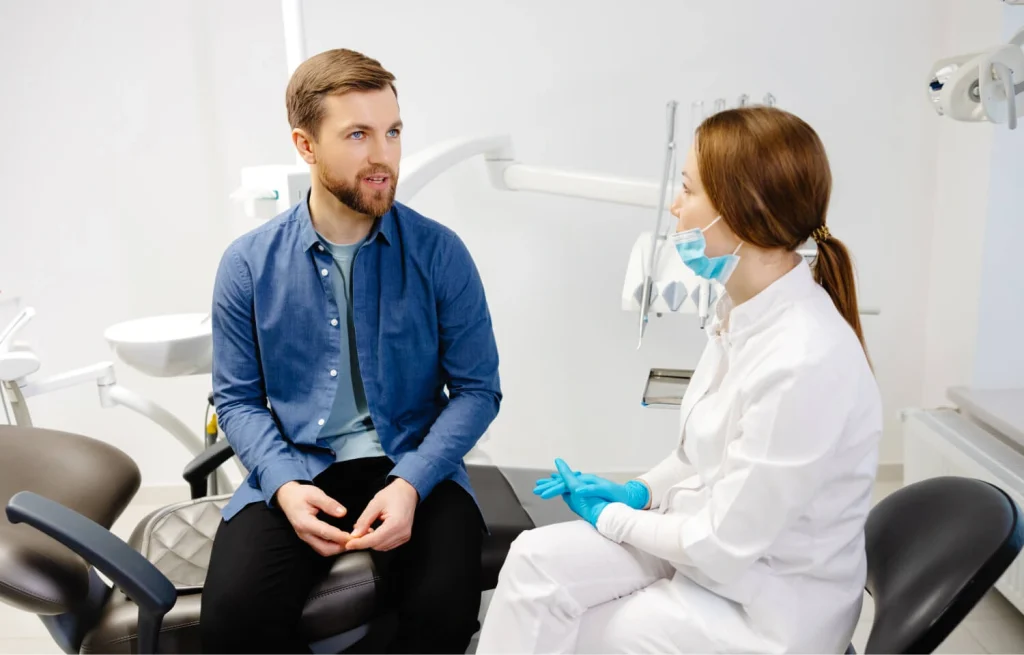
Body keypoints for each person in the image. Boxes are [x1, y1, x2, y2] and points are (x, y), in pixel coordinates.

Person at [476, 106, 882, 654]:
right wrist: (641, 490)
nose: (674, 206)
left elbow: (721, 543)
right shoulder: (740, 311)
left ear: (744, 210)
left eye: (687, 191)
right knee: (533, 561)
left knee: (583, 634)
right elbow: (699, 457)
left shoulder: (805, 361)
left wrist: (615, 517)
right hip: (717, 559)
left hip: (766, 607)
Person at [200, 48, 501, 654]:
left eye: (392, 132)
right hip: (300, 468)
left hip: (414, 466)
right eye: (358, 135)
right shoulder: (247, 265)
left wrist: (411, 483)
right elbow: (235, 400)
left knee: (439, 611)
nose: (383, 155)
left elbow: (477, 391)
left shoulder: (440, 254)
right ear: (306, 146)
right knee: (233, 622)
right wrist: (283, 485)